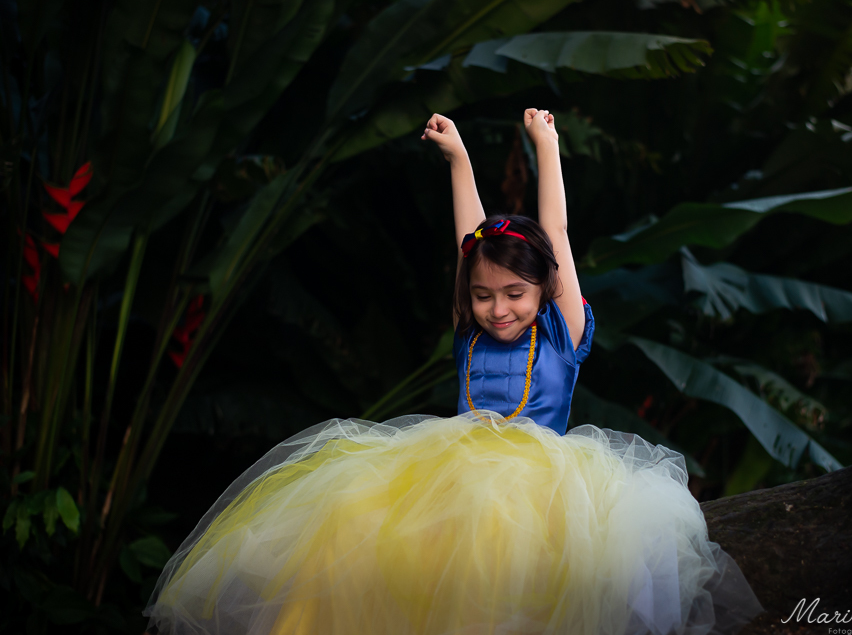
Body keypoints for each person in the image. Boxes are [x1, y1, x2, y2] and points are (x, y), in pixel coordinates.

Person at [144, 110, 765, 635]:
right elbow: (469, 238)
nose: (499, 309)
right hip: (448, 476)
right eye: (484, 295)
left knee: (506, 580)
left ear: (544, 288)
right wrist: (458, 158)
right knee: (357, 529)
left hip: (543, 492)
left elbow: (555, 230)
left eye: (515, 294)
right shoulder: (470, 330)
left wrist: (546, 146)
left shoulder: (560, 331)